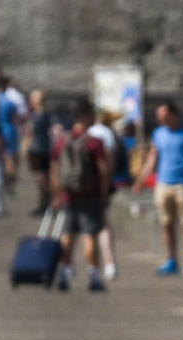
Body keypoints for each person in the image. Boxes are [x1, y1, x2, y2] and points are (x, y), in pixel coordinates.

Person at [50, 99, 111, 292]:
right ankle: (93, 276)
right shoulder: (95, 143)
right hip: (90, 195)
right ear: (85, 116)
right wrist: (103, 196)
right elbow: (103, 171)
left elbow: (54, 171)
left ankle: (64, 273)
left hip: (68, 196)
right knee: (88, 237)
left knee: (67, 237)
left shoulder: (61, 142)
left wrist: (57, 194)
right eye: (92, 115)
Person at [139, 104, 183, 277]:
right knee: (166, 223)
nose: (159, 118)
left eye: (162, 114)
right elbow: (152, 157)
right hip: (163, 182)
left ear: (172, 114)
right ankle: (170, 259)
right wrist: (141, 180)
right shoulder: (158, 134)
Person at [87, 113, 125, 282]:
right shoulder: (108, 134)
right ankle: (109, 264)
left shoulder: (88, 132)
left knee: (81, 230)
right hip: (100, 185)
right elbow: (110, 162)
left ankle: (79, 268)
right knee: (103, 224)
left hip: (82, 184)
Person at [26, 91, 54, 216]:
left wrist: (27, 146)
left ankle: (45, 205)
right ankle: (45, 204)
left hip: (38, 149)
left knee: (42, 178)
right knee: (44, 177)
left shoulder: (39, 115)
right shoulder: (44, 114)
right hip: (43, 148)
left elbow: (30, 133)